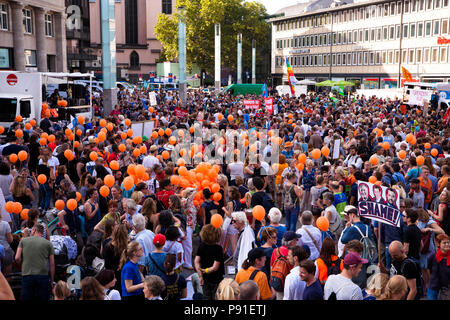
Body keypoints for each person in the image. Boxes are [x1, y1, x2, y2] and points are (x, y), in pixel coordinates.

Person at [15, 224, 55, 301]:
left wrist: (22, 266)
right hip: (42, 275)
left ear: (34, 230)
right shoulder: (48, 243)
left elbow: (17, 258)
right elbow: (52, 264)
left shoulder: (23, 241)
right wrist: (52, 280)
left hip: (27, 275)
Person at [194, 224, 224, 300]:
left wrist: (200, 274)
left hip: (205, 279)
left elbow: (196, 261)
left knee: (206, 297)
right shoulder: (218, 248)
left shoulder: (202, 246)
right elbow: (215, 267)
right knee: (216, 297)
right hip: (216, 279)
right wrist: (206, 270)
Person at [427, 234, 450, 300]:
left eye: (448, 242)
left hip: (447, 289)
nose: (447, 244)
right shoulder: (432, 256)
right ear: (438, 244)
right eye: (444, 243)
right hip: (433, 287)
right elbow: (429, 269)